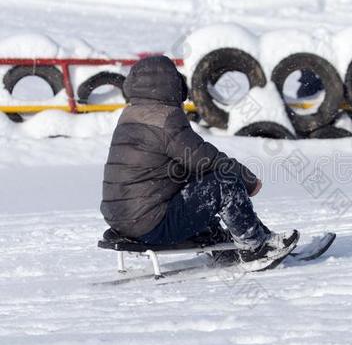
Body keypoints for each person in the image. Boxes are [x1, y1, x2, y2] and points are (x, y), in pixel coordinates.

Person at [100, 56, 298, 270]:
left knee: (193, 183)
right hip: (150, 224)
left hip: (122, 221)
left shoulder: (130, 116)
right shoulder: (164, 117)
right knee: (224, 182)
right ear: (170, 84)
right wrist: (247, 179)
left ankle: (227, 241)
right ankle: (256, 248)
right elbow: (204, 159)